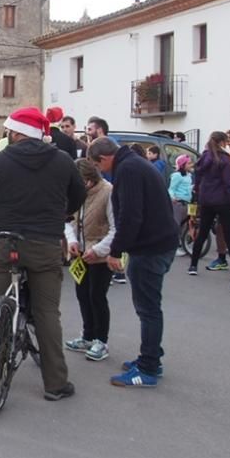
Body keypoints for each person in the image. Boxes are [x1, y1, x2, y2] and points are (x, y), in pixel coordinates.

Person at [0, 107, 86, 401]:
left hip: (7, 240)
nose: (7, 135)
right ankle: (55, 383)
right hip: (46, 243)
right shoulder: (62, 160)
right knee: (48, 312)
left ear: (18, 132)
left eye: (10, 130)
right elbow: (78, 196)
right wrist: (61, 215)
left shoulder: (0, 159)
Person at [88, 137, 178, 388]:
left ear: (104, 158)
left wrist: (115, 252)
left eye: (98, 165)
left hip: (151, 248)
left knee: (148, 309)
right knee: (149, 307)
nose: (100, 171)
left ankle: (148, 369)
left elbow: (130, 215)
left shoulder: (127, 170)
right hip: (160, 243)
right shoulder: (135, 163)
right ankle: (150, 358)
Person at [64, 159, 117, 362]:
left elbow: (115, 228)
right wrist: (72, 240)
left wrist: (98, 250)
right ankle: (87, 335)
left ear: (89, 180)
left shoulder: (108, 191)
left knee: (97, 295)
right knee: (82, 294)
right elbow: (68, 220)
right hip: (81, 254)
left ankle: (101, 340)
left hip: (100, 255)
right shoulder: (77, 193)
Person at [187, 132, 230, 277]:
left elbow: (197, 181)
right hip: (222, 200)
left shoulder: (204, 157)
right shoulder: (224, 159)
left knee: (202, 233)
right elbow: (229, 184)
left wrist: (198, 196)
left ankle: (193, 265)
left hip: (206, 200)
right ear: (222, 142)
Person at [168, 155, 193, 256]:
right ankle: (173, 248)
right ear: (182, 165)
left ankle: (182, 244)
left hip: (187, 203)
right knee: (176, 226)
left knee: (184, 226)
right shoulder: (177, 175)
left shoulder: (189, 175)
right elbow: (171, 189)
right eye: (189, 163)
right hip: (178, 204)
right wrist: (173, 197)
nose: (191, 165)